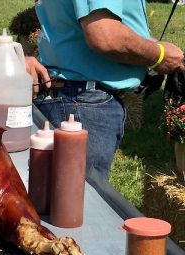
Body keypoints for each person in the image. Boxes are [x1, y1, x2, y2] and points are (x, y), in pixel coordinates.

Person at [33, 0, 185, 177]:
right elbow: (105, 36)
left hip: (68, 97)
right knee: (79, 199)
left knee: (55, 195)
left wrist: (153, 48)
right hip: (83, 105)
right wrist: (158, 56)